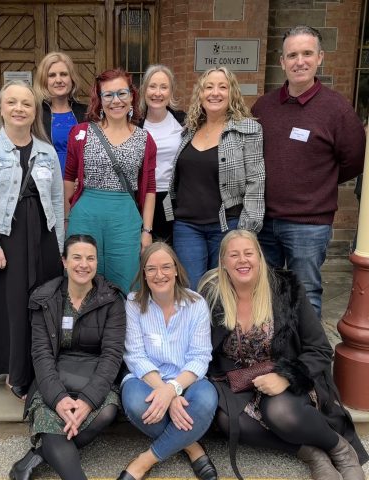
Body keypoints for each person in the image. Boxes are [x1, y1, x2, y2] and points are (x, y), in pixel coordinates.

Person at [199, 229, 368, 480]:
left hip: (284, 373)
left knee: (279, 411)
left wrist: (285, 377)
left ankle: (340, 450)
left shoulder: (286, 289)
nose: (242, 260)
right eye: (234, 255)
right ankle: (311, 454)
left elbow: (320, 349)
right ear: (223, 262)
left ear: (260, 257)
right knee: (226, 420)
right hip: (240, 382)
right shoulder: (212, 297)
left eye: (248, 253)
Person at [252, 25, 365, 319]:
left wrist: (317, 183)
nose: (299, 61)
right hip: (264, 221)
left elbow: (353, 160)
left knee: (305, 295)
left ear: (320, 57)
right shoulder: (264, 107)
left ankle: (306, 349)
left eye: (307, 54)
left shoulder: (337, 110)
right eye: (292, 55)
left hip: (308, 224)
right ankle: (273, 347)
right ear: (282, 61)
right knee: (264, 293)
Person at [0, 80, 64, 399]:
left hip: (43, 237)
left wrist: (60, 246)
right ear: (2, 109)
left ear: (35, 112)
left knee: (42, 302)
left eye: (26, 103)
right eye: (12, 102)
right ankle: (14, 372)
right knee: (13, 305)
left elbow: (57, 201)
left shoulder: (47, 152)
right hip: (6, 238)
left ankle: (39, 367)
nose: (19, 108)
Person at [9, 234, 126, 480]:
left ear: (97, 262)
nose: (84, 264)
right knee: (49, 414)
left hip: (94, 376)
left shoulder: (112, 300)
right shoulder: (44, 298)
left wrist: (88, 401)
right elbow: (41, 354)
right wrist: (59, 399)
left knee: (106, 411)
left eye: (90, 258)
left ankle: (35, 457)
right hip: (53, 376)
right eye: (77, 257)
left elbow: (112, 355)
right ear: (64, 261)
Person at [119, 242, 218, 480]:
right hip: (146, 381)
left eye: (165, 267)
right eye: (151, 269)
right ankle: (192, 447)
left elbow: (200, 356)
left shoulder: (196, 304)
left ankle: (144, 461)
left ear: (176, 270)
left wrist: (173, 389)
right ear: (144, 274)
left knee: (206, 402)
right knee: (135, 403)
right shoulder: (133, 303)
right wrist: (167, 394)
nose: (159, 274)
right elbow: (135, 355)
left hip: (188, 381)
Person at [167, 67, 265, 291]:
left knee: (223, 291)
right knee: (191, 291)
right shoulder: (189, 129)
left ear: (232, 93)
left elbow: (256, 181)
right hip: (187, 226)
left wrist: (247, 232)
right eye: (208, 87)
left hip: (227, 225)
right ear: (200, 94)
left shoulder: (248, 130)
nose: (215, 92)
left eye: (223, 87)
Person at [64, 68, 156, 294]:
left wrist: (147, 230)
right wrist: (66, 219)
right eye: (108, 95)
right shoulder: (81, 133)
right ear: (99, 99)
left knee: (125, 280)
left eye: (122, 93)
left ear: (132, 96)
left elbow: (150, 188)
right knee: (82, 279)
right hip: (85, 216)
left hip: (124, 218)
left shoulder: (144, 139)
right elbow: (69, 178)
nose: (116, 101)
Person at [138, 64, 185, 244]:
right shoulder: (134, 124)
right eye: (152, 86)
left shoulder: (183, 122)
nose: (157, 93)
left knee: (168, 247)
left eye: (163, 87)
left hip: (171, 198)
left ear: (171, 92)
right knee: (144, 247)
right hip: (142, 197)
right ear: (144, 90)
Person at [34, 52, 86, 172]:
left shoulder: (86, 113)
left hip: (80, 180)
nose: (58, 80)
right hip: (46, 180)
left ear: (72, 78)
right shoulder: (36, 114)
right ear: (44, 81)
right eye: (52, 75)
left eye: (63, 74)